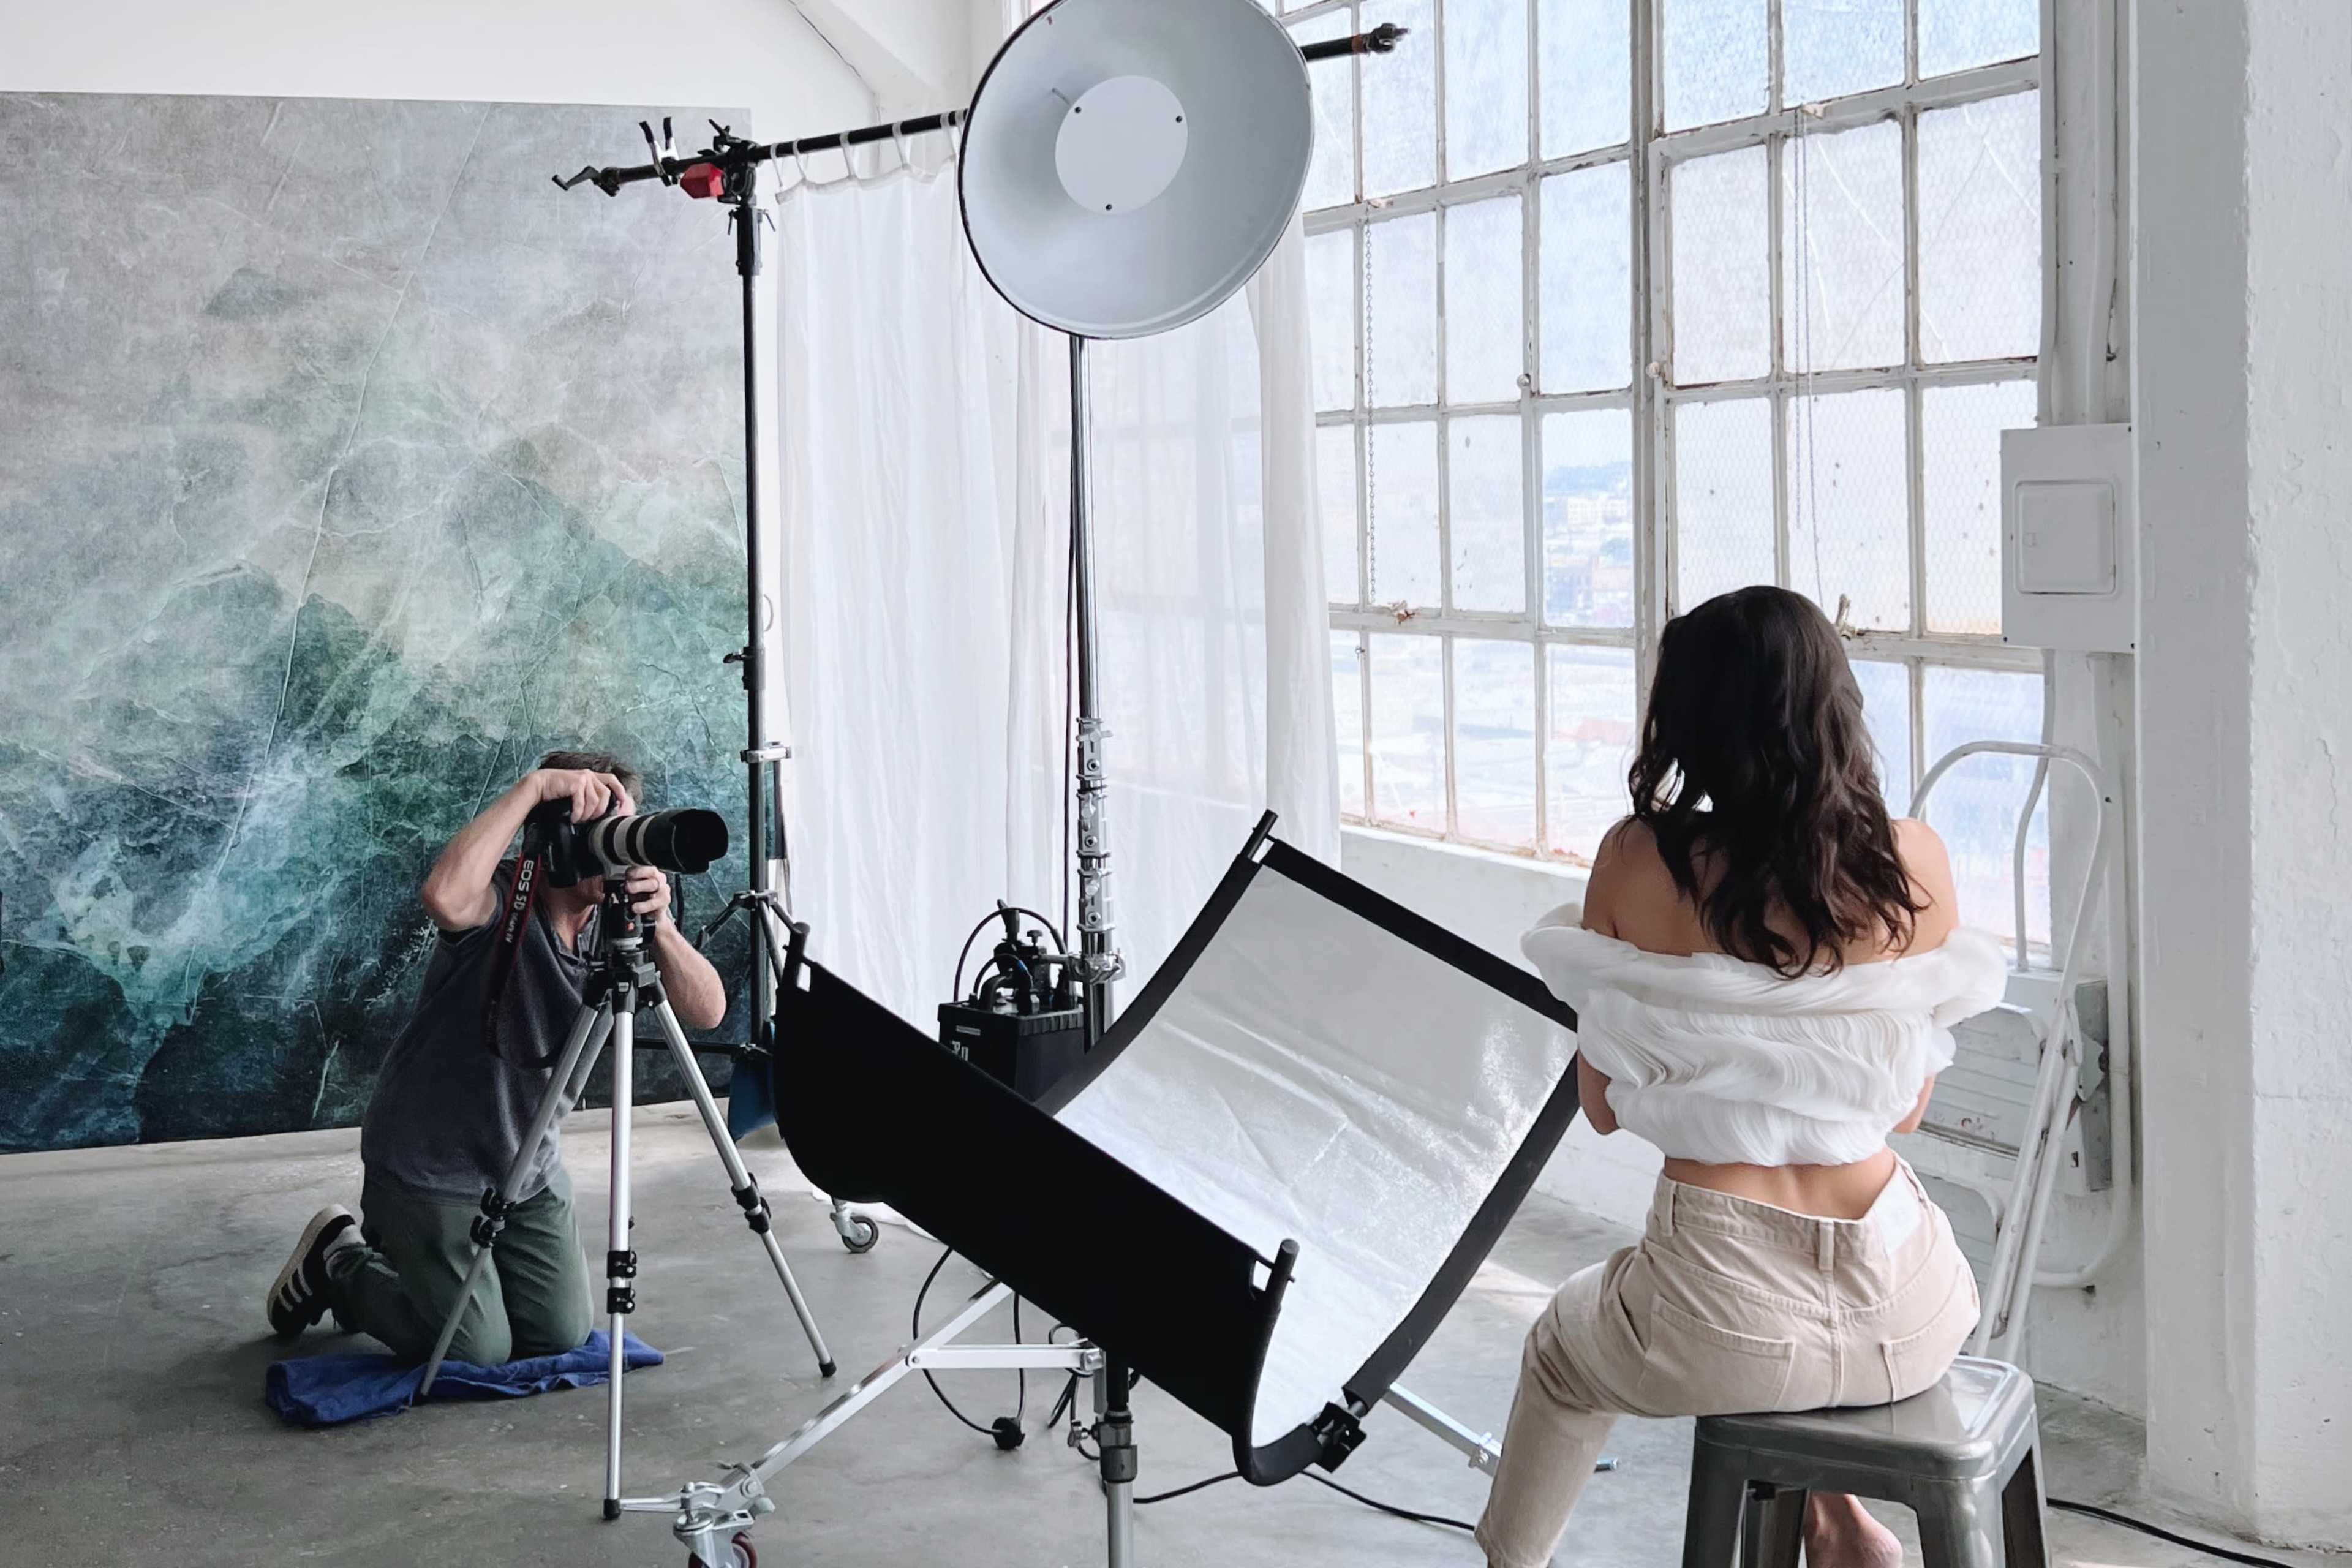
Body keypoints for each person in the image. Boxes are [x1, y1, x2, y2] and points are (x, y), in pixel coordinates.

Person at [1476, 587, 2008, 1568]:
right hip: (1913, 1301)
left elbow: (1601, 1108)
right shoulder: (1913, 863)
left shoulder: (1638, 860)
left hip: (1720, 1297)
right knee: (1791, 1345)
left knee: (1560, 1352)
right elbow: (1908, 1106)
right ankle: (1838, 1525)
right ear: (1836, 706)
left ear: (1691, 720)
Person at [262, 751, 730, 1366]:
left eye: (626, 824)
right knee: (475, 1348)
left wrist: (662, 925)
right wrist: (534, 789)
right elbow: (443, 896)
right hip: (431, 1165)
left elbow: (708, 1010)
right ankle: (340, 1257)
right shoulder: (504, 897)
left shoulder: (620, 923)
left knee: (562, 1334)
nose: (620, 851)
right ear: (554, 837)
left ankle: (439, 1268)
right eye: (601, 829)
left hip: (526, 1163)